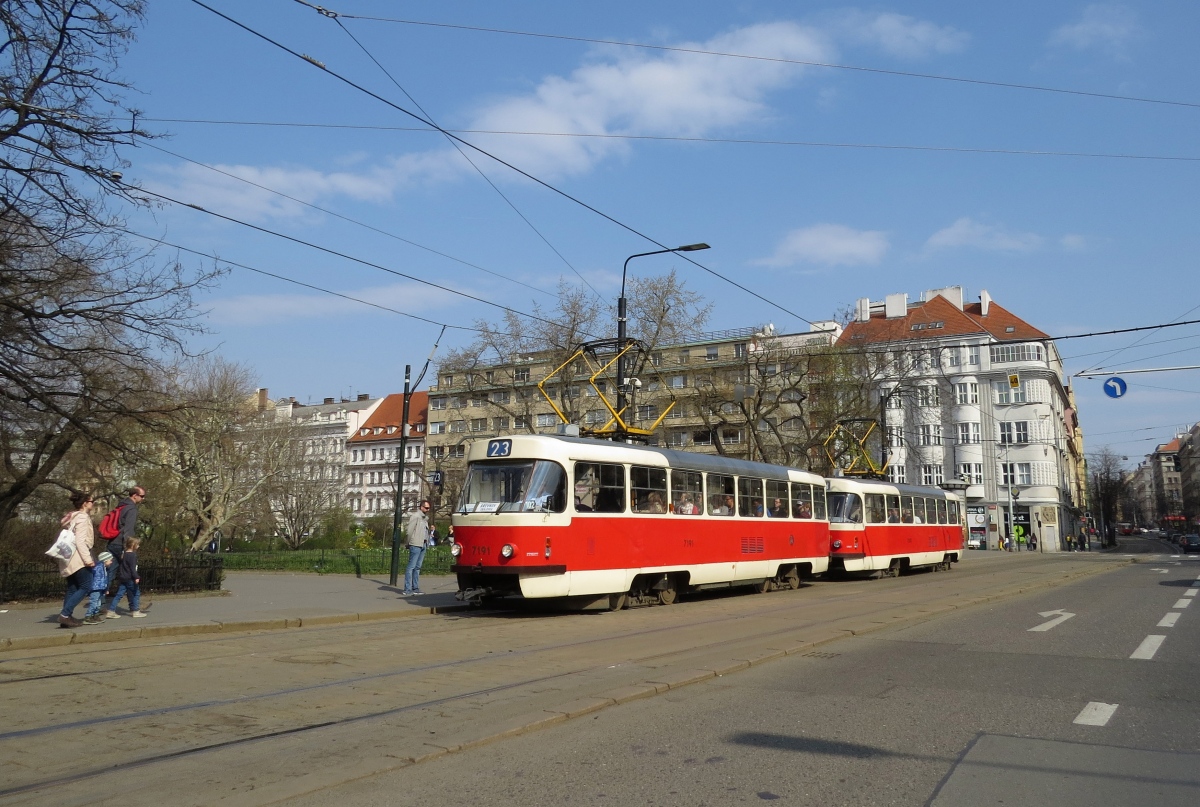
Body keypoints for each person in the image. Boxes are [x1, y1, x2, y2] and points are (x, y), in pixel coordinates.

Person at [57, 492, 96, 628]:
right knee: (86, 586)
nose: (93, 504)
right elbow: (80, 541)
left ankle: (67, 617)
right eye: (91, 501)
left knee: (73, 588)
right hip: (78, 557)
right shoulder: (83, 518)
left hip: (68, 557)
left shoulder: (72, 517)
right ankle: (65, 614)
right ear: (85, 503)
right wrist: (88, 560)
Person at [105, 537, 147, 618]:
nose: (138, 546)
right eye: (137, 544)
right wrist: (136, 577)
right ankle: (135, 611)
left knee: (119, 595)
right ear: (132, 545)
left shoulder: (124, 554)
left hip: (123, 577)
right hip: (130, 578)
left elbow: (123, 567)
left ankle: (111, 610)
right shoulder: (133, 555)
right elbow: (132, 568)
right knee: (136, 594)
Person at [109, 485, 146, 560]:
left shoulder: (121, 505)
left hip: (112, 541)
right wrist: (128, 549)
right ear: (135, 495)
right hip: (121, 544)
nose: (143, 498)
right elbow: (128, 529)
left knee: (109, 570)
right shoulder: (131, 509)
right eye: (142, 496)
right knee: (126, 570)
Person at [403, 500, 432, 596]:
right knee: (411, 567)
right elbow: (410, 531)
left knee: (417, 567)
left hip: (423, 544)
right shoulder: (415, 516)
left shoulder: (424, 518)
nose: (428, 510)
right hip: (415, 544)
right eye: (426, 508)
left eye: (429, 508)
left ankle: (415, 588)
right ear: (421, 507)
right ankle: (407, 589)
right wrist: (408, 543)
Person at [83, 551, 114, 625]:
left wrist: (105, 589)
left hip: (100, 588)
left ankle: (95, 615)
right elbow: (98, 578)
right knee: (94, 603)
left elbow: (104, 579)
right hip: (95, 588)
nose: (111, 562)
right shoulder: (98, 567)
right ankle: (88, 616)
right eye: (110, 560)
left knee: (98, 603)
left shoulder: (104, 568)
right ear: (105, 560)